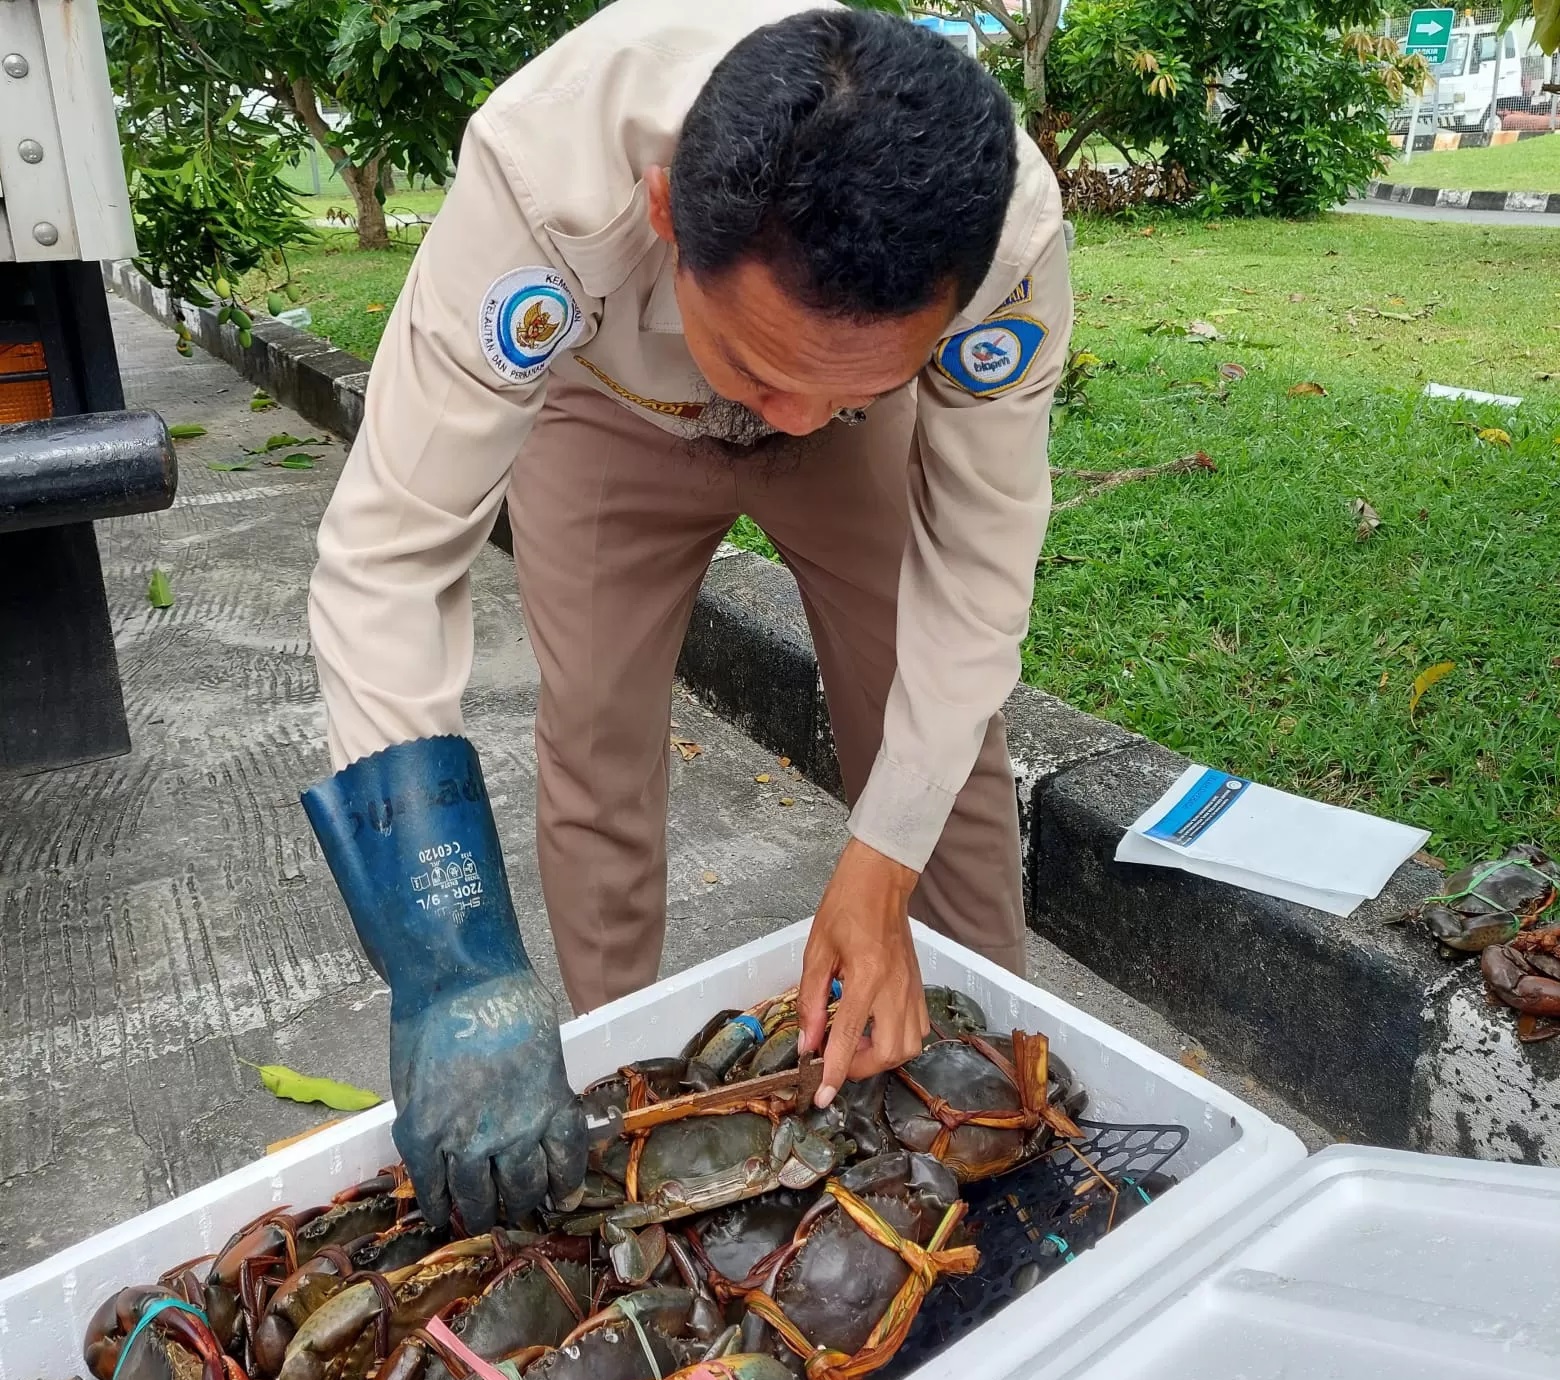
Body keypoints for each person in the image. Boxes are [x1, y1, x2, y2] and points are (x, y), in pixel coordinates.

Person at [300, 0, 1072, 1233]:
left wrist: (881, 863)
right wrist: (449, 966)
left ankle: (995, 1090)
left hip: (875, 421)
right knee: (596, 737)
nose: (787, 421)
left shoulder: (1005, 237)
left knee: (939, 745)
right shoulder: (542, 177)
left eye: (842, 379)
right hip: (604, 400)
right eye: (764, 371)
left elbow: (976, 575)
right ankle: (626, 1100)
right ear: (663, 211)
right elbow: (388, 550)